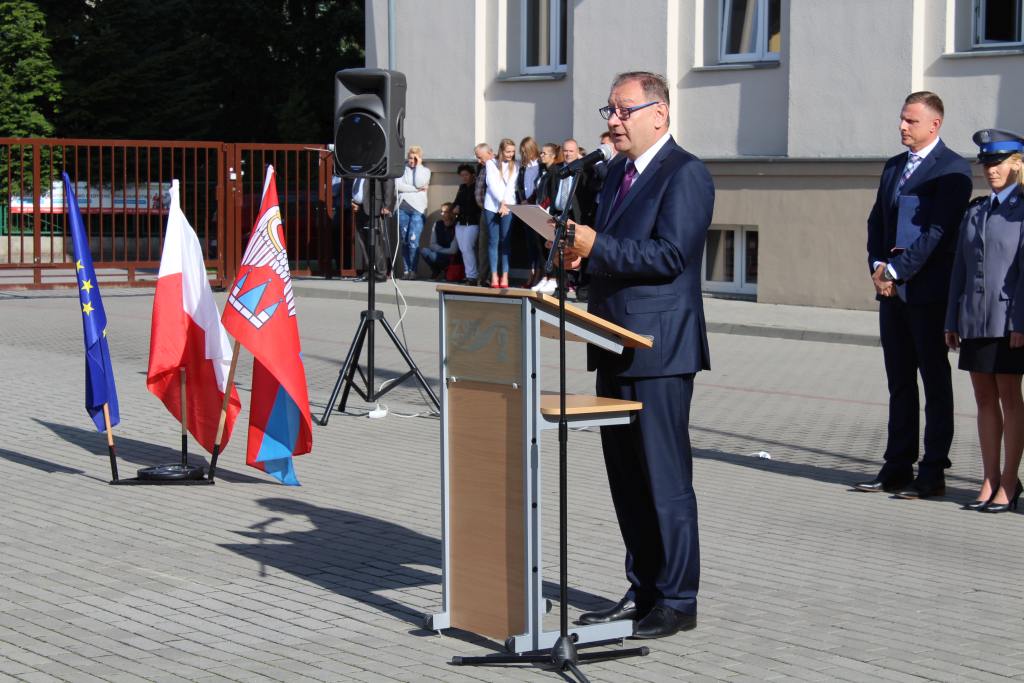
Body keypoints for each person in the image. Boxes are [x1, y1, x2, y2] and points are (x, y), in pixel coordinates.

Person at [565, 71, 714, 639]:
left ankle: (678, 598)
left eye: (624, 110)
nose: (614, 120)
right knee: (627, 480)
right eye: (609, 110)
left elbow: (670, 255)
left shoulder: (685, 173)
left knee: (663, 479)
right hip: (612, 342)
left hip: (659, 351)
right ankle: (644, 588)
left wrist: (596, 245)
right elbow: (617, 255)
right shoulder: (615, 176)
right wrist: (583, 259)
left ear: (660, 113)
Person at [856, 92, 973, 499]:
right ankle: (896, 466)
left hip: (928, 294)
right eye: (902, 119)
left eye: (911, 121)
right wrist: (877, 265)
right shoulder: (894, 166)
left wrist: (897, 270)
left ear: (934, 125)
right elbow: (877, 221)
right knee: (899, 383)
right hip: (891, 294)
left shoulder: (953, 169)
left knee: (934, 383)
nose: (902, 126)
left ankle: (933, 471)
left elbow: (938, 233)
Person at [945, 129, 1024, 513]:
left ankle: (1009, 479)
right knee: (983, 398)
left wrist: (1021, 322)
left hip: (1009, 320)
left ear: (1017, 164)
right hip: (976, 318)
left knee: (1010, 397)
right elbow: (959, 269)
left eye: (998, 163)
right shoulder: (976, 211)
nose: (991, 170)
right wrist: (952, 318)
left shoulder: (1021, 211)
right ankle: (989, 477)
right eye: (987, 164)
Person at [483, 138, 518, 289]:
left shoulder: (515, 165)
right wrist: (501, 201)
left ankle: (504, 275)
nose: (511, 154)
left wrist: (505, 204)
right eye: (508, 151)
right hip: (492, 206)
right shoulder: (491, 163)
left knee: (506, 241)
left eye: (513, 152)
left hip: (508, 206)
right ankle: (494, 275)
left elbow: (511, 187)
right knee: (493, 241)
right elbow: (491, 184)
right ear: (501, 151)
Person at [395, 145, 431, 279]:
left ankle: (413, 270)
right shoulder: (401, 170)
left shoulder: (425, 171)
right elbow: (398, 186)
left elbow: (419, 182)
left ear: (420, 158)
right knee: (404, 240)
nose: (411, 161)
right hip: (402, 208)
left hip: (418, 209)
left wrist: (418, 166)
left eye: (415, 159)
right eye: (410, 158)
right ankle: (406, 270)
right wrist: (416, 189)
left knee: (413, 240)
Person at [350, 176, 394, 283]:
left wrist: (387, 205)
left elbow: (389, 184)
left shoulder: (376, 167)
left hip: (374, 208)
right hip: (359, 208)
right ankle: (369, 271)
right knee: (363, 242)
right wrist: (354, 200)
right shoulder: (358, 171)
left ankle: (381, 273)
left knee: (375, 242)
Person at [517, 137, 542, 287]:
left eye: (526, 151)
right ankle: (531, 273)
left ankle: (539, 274)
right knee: (530, 244)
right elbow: (521, 186)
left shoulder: (540, 165)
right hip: (525, 208)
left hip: (537, 208)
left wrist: (530, 200)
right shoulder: (523, 167)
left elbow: (539, 186)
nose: (524, 154)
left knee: (538, 244)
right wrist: (522, 200)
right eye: (522, 152)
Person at [451, 163, 481, 285]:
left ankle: (472, 276)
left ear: (472, 175)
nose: (464, 177)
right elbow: (456, 202)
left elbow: (475, 206)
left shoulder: (476, 188)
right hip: (461, 223)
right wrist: (453, 208)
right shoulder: (462, 188)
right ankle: (469, 274)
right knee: (463, 249)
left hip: (472, 223)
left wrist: (460, 209)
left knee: (468, 248)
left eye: (466, 175)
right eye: (462, 175)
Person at [420, 202, 460, 280]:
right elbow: (432, 244)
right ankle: (436, 270)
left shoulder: (457, 226)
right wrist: (440, 250)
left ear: (451, 213)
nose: (442, 214)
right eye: (441, 211)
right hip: (440, 253)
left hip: (452, 257)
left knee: (433, 255)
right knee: (425, 251)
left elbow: (453, 250)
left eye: (445, 212)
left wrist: (439, 250)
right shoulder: (437, 224)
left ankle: (447, 271)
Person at [473, 143, 494, 285]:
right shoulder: (482, 166)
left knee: (493, 245)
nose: (478, 160)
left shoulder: (496, 165)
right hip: (483, 210)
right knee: (483, 246)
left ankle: (492, 276)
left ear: (490, 153)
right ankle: (483, 276)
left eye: (480, 157)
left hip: (494, 210)